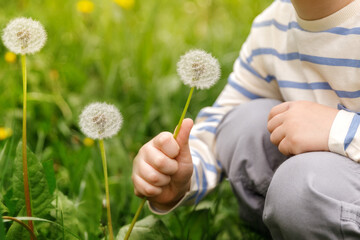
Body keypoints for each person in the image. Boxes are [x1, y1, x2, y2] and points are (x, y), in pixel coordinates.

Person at [132, 0, 360, 239]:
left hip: (319, 181)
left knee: (299, 187)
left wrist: (338, 129)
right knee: (243, 124)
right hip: (328, 180)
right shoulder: (274, 25)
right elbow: (224, 117)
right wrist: (181, 175)